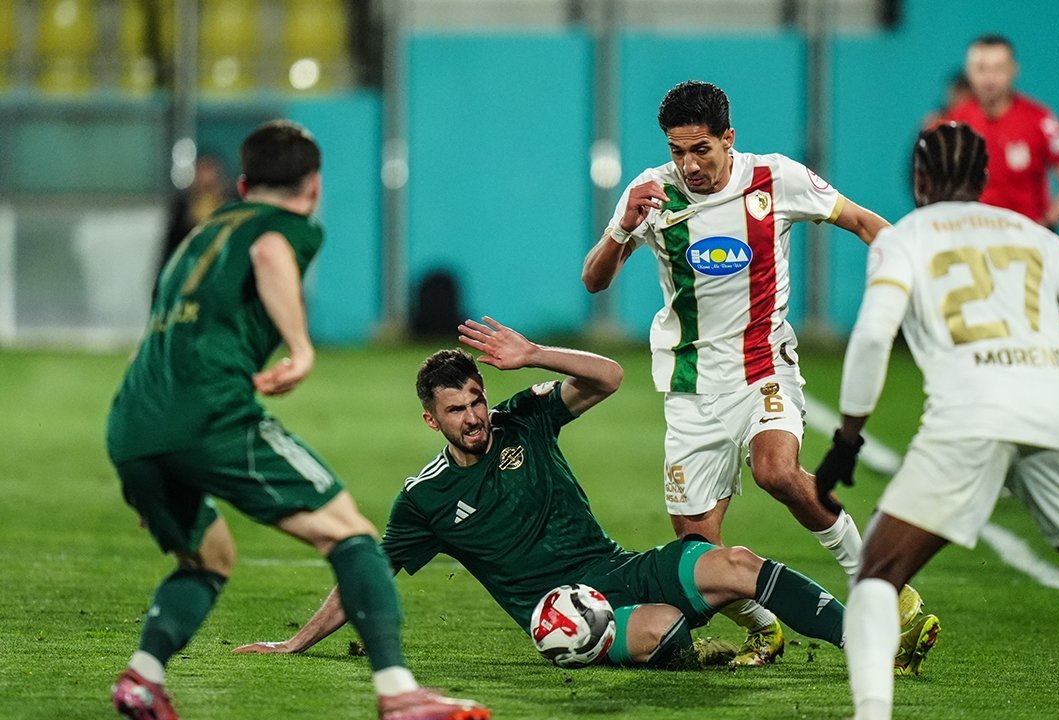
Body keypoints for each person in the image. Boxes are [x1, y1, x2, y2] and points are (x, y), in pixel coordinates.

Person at [232, 319, 937, 671]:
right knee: (660, 629)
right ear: (431, 420)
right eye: (457, 411)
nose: (474, 417)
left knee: (733, 561)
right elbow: (366, 573)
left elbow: (608, 378)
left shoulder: (523, 418)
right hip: (565, 616)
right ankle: (701, 650)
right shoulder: (426, 499)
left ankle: (868, 644)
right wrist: (295, 643)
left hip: (615, 567)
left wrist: (533, 355)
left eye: (476, 400)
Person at [817, 123, 1059, 720]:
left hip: (968, 418)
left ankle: (872, 713)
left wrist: (848, 439)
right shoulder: (1033, 235)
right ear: (984, 178)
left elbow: (875, 336)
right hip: (1057, 415)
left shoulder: (903, 241)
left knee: (877, 573)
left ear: (919, 179)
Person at [106, 120, 488, 720]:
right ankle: (398, 694)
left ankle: (143, 678)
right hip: (211, 415)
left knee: (209, 557)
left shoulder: (200, 237)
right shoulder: (287, 226)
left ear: (241, 185)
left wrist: (154, 456)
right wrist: (301, 347)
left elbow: (154, 339)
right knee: (352, 535)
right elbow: (270, 253)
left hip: (134, 423)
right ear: (313, 185)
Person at [580, 79, 897, 665]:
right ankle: (763, 627)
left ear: (729, 138)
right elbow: (594, 280)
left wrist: (910, 274)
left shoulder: (775, 178)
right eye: (677, 151)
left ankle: (879, 587)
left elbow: (861, 221)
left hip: (762, 366)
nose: (689, 165)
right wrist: (622, 225)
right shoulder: (651, 192)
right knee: (697, 550)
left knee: (776, 471)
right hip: (690, 385)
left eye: (700, 149)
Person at [945, 34, 1059, 230]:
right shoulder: (953, 123)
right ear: (968, 71)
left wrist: (1044, 227)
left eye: (998, 69)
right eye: (981, 68)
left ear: (1014, 70)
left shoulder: (1040, 121)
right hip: (971, 238)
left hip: (1025, 240)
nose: (989, 79)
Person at [158, 153, 232, 275]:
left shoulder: (229, 205)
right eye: (201, 170)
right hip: (189, 268)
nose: (205, 176)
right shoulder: (184, 206)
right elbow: (172, 244)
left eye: (209, 170)